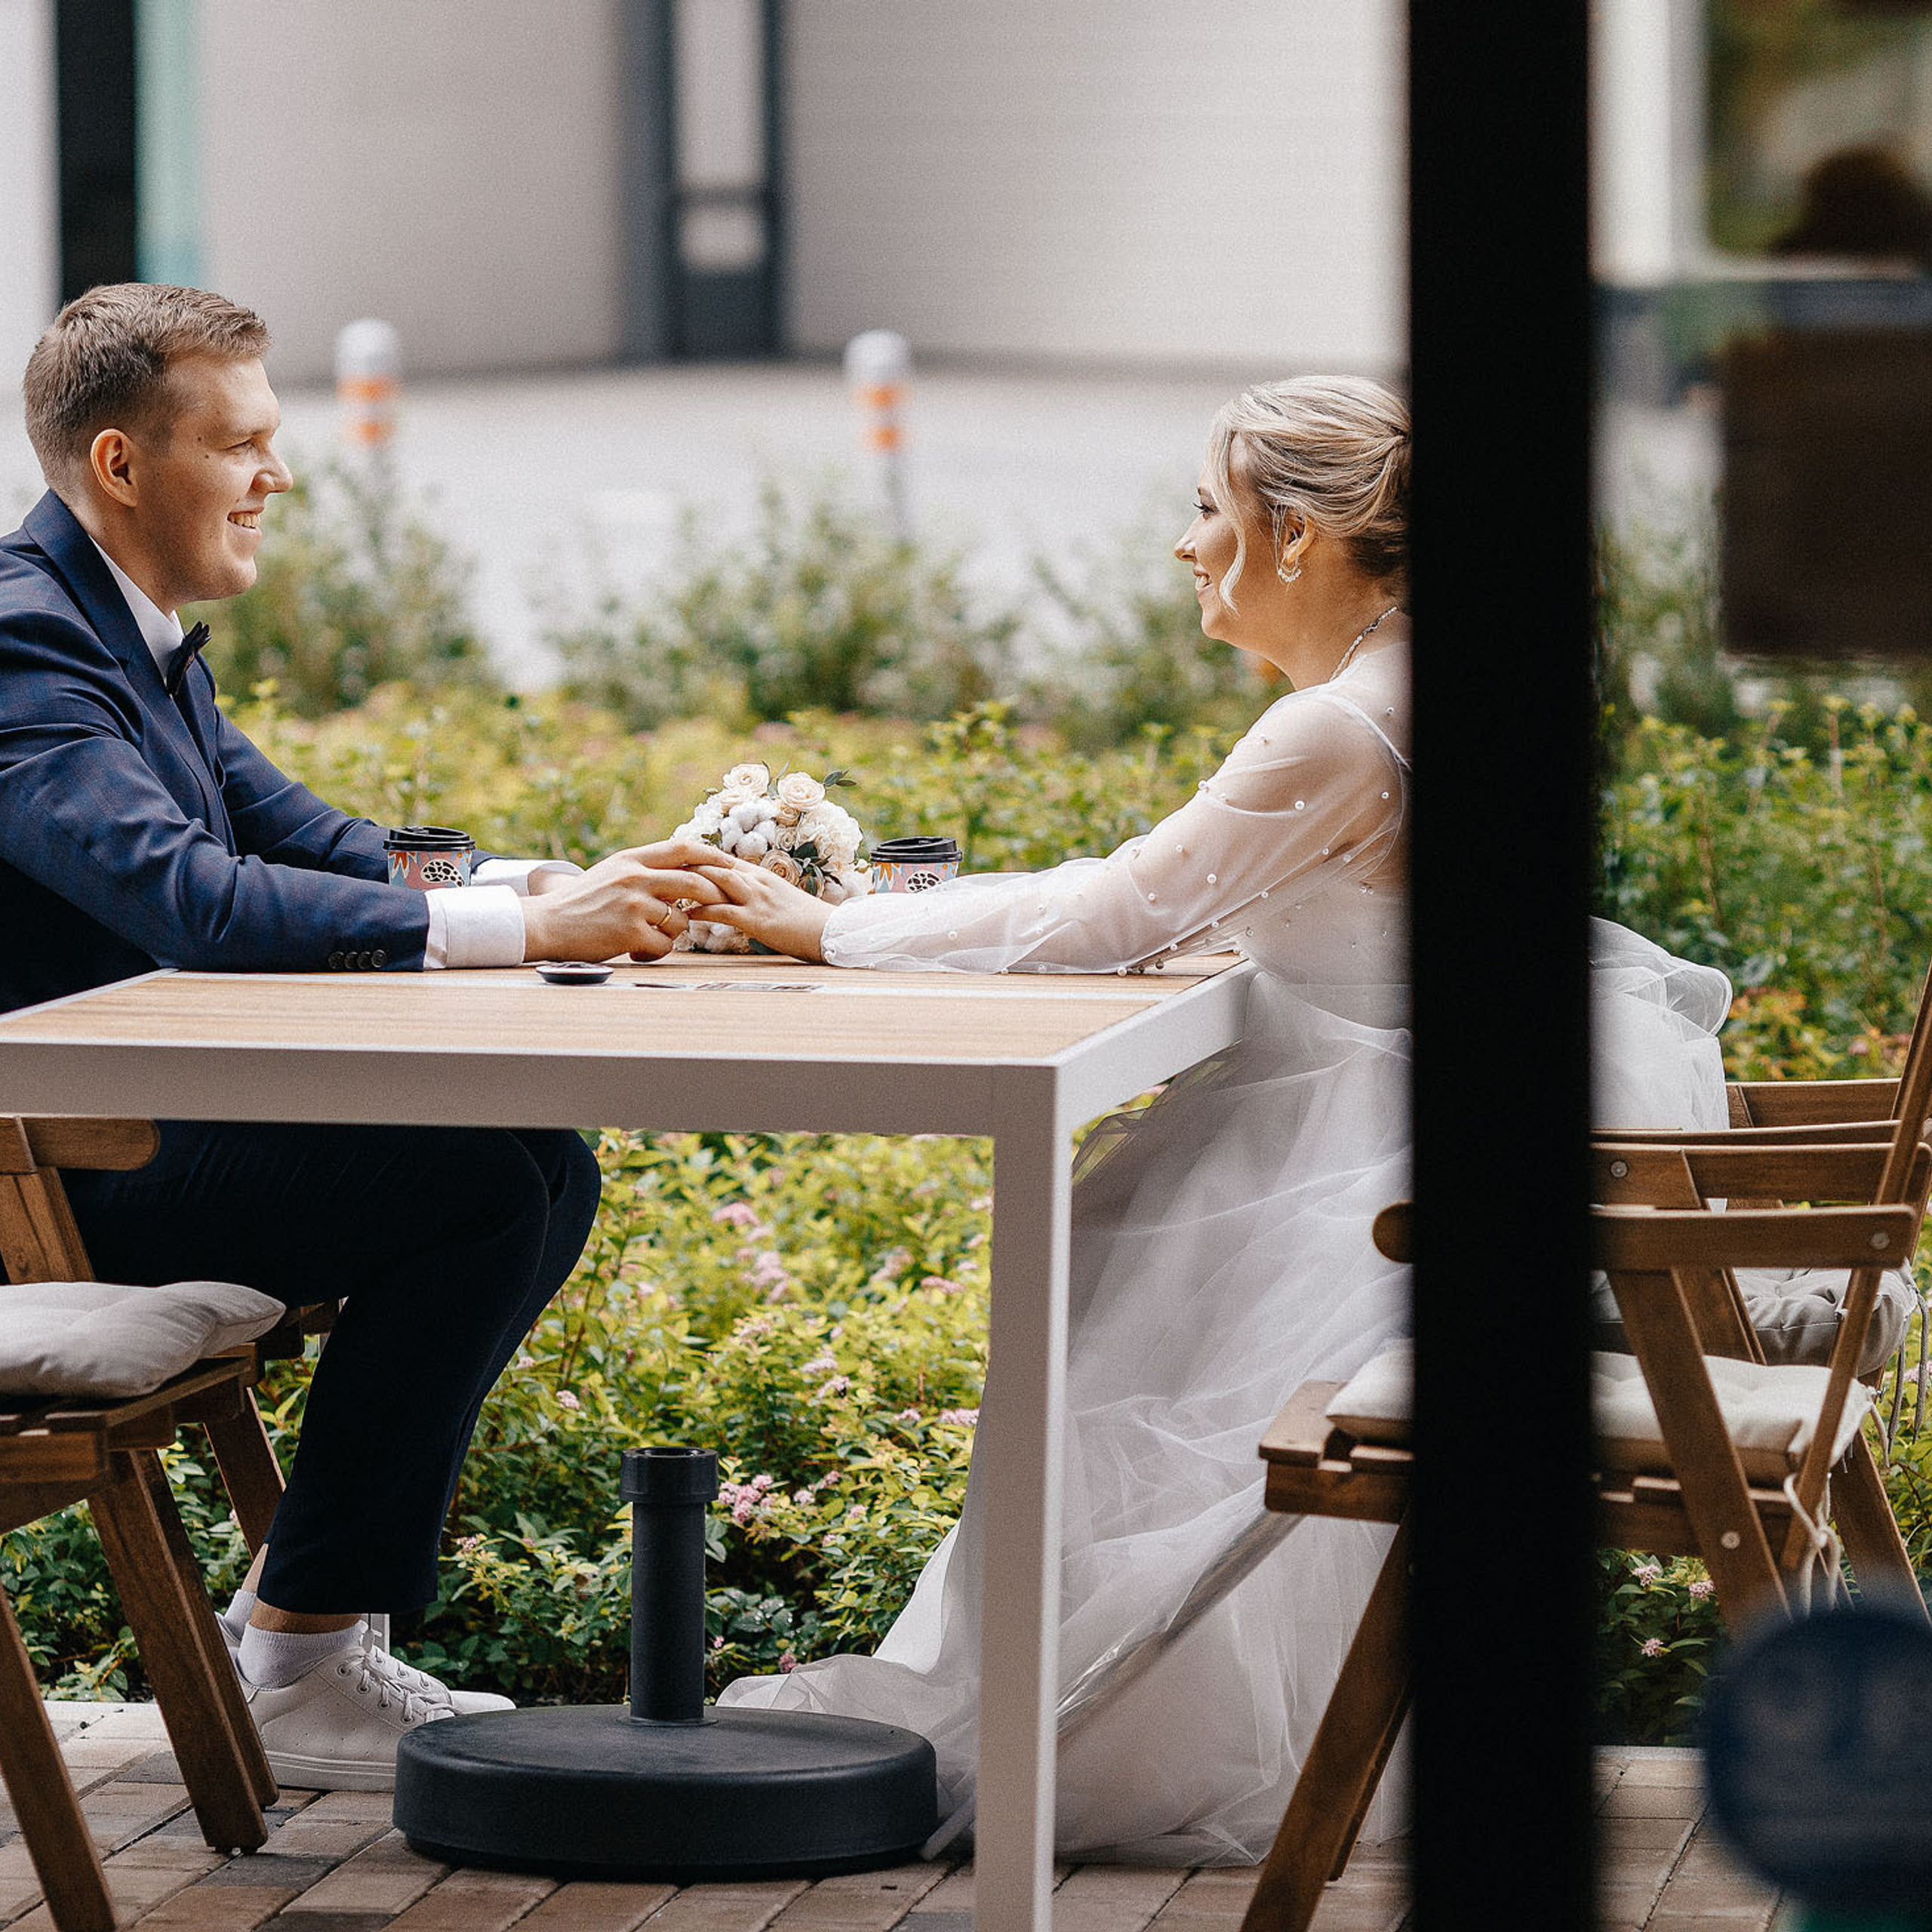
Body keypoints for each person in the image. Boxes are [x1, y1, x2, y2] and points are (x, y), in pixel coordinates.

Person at [692, 378, 1731, 1860]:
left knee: (1112, 1281)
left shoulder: (1337, 725)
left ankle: (1116, 1730)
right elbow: (1204, 901)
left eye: (1205, 506)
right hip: (1444, 1122)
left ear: (1295, 535)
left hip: (1378, 1166)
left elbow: (1115, 907)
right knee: (1115, 1262)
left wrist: (829, 932)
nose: (1185, 545)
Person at [0, 283, 724, 1791]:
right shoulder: (24, 650)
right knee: (467, 1186)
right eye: (243, 443)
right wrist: (529, 933)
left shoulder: (126, 633)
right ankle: (306, 1654)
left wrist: (573, 885)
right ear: (122, 466)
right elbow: (190, 896)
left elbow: (329, 847)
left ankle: (303, 1641)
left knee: (536, 1156)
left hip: (115, 1139)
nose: (279, 475)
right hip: (43, 1180)